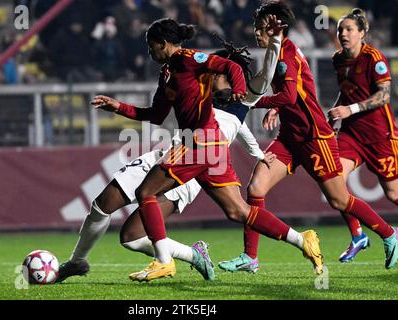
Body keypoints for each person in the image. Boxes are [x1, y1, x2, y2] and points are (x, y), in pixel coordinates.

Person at [92, 16, 325, 282]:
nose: (149, 53)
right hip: (210, 147)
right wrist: (118, 107)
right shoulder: (167, 74)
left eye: (150, 47)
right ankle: (302, 239)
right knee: (238, 211)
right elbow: (156, 114)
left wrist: (238, 90)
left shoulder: (191, 59)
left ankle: (164, 261)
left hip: (199, 141)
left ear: (163, 43)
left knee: (145, 191)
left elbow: (231, 67)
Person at [56, 35, 281, 283]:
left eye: (214, 72)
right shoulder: (200, 93)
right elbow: (242, 132)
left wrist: (275, 42)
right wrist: (257, 152)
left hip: (192, 170)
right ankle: (77, 261)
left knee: (131, 237)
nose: (209, 75)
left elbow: (265, 77)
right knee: (102, 203)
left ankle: (192, 255)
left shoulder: (244, 99)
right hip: (166, 155)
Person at [218, 1, 398, 274]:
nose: (255, 31)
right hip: (290, 135)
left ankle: (388, 234)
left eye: (260, 26)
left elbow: (291, 95)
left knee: (339, 200)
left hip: (314, 137)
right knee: (255, 188)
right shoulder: (277, 53)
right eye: (256, 26)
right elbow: (299, 90)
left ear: (276, 26)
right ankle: (250, 256)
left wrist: (254, 103)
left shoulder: (286, 53)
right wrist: (276, 107)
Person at [327, 8, 398, 263]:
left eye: (349, 30)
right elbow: (347, 93)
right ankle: (358, 235)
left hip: (380, 135)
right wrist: (337, 114)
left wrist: (350, 109)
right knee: (334, 182)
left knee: (393, 194)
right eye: (340, 30)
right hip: (351, 135)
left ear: (362, 33)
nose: (343, 34)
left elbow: (385, 95)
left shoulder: (373, 58)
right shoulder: (338, 59)